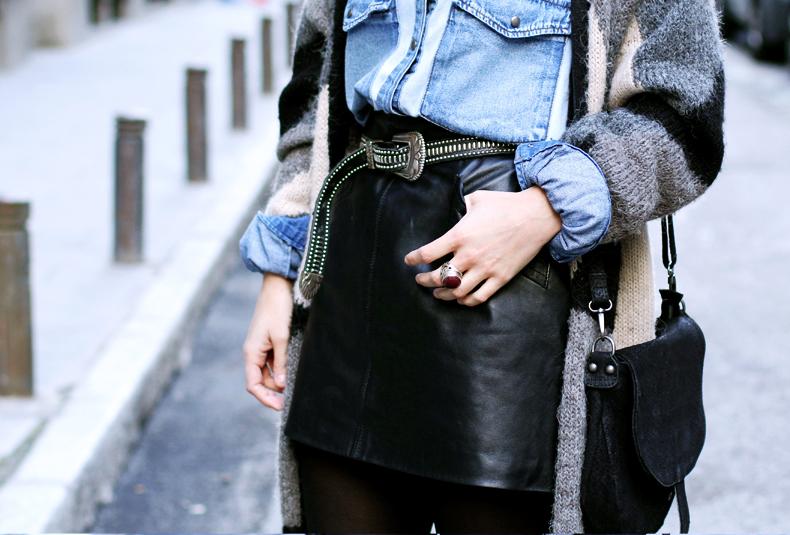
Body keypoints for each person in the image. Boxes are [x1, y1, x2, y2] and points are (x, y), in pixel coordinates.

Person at [239, 0, 725, 533]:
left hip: (522, 306)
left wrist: (547, 207)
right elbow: (312, 101)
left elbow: (686, 112)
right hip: (352, 288)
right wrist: (281, 271)